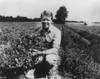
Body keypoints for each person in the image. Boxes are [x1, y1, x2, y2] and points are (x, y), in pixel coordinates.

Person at [26, 10, 62, 79]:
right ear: (41, 20)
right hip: (39, 53)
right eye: (43, 20)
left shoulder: (57, 32)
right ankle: (36, 69)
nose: (45, 22)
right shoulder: (37, 30)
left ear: (51, 20)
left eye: (48, 20)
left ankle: (49, 71)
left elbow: (55, 49)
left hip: (50, 54)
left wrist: (40, 53)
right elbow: (33, 44)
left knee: (49, 60)